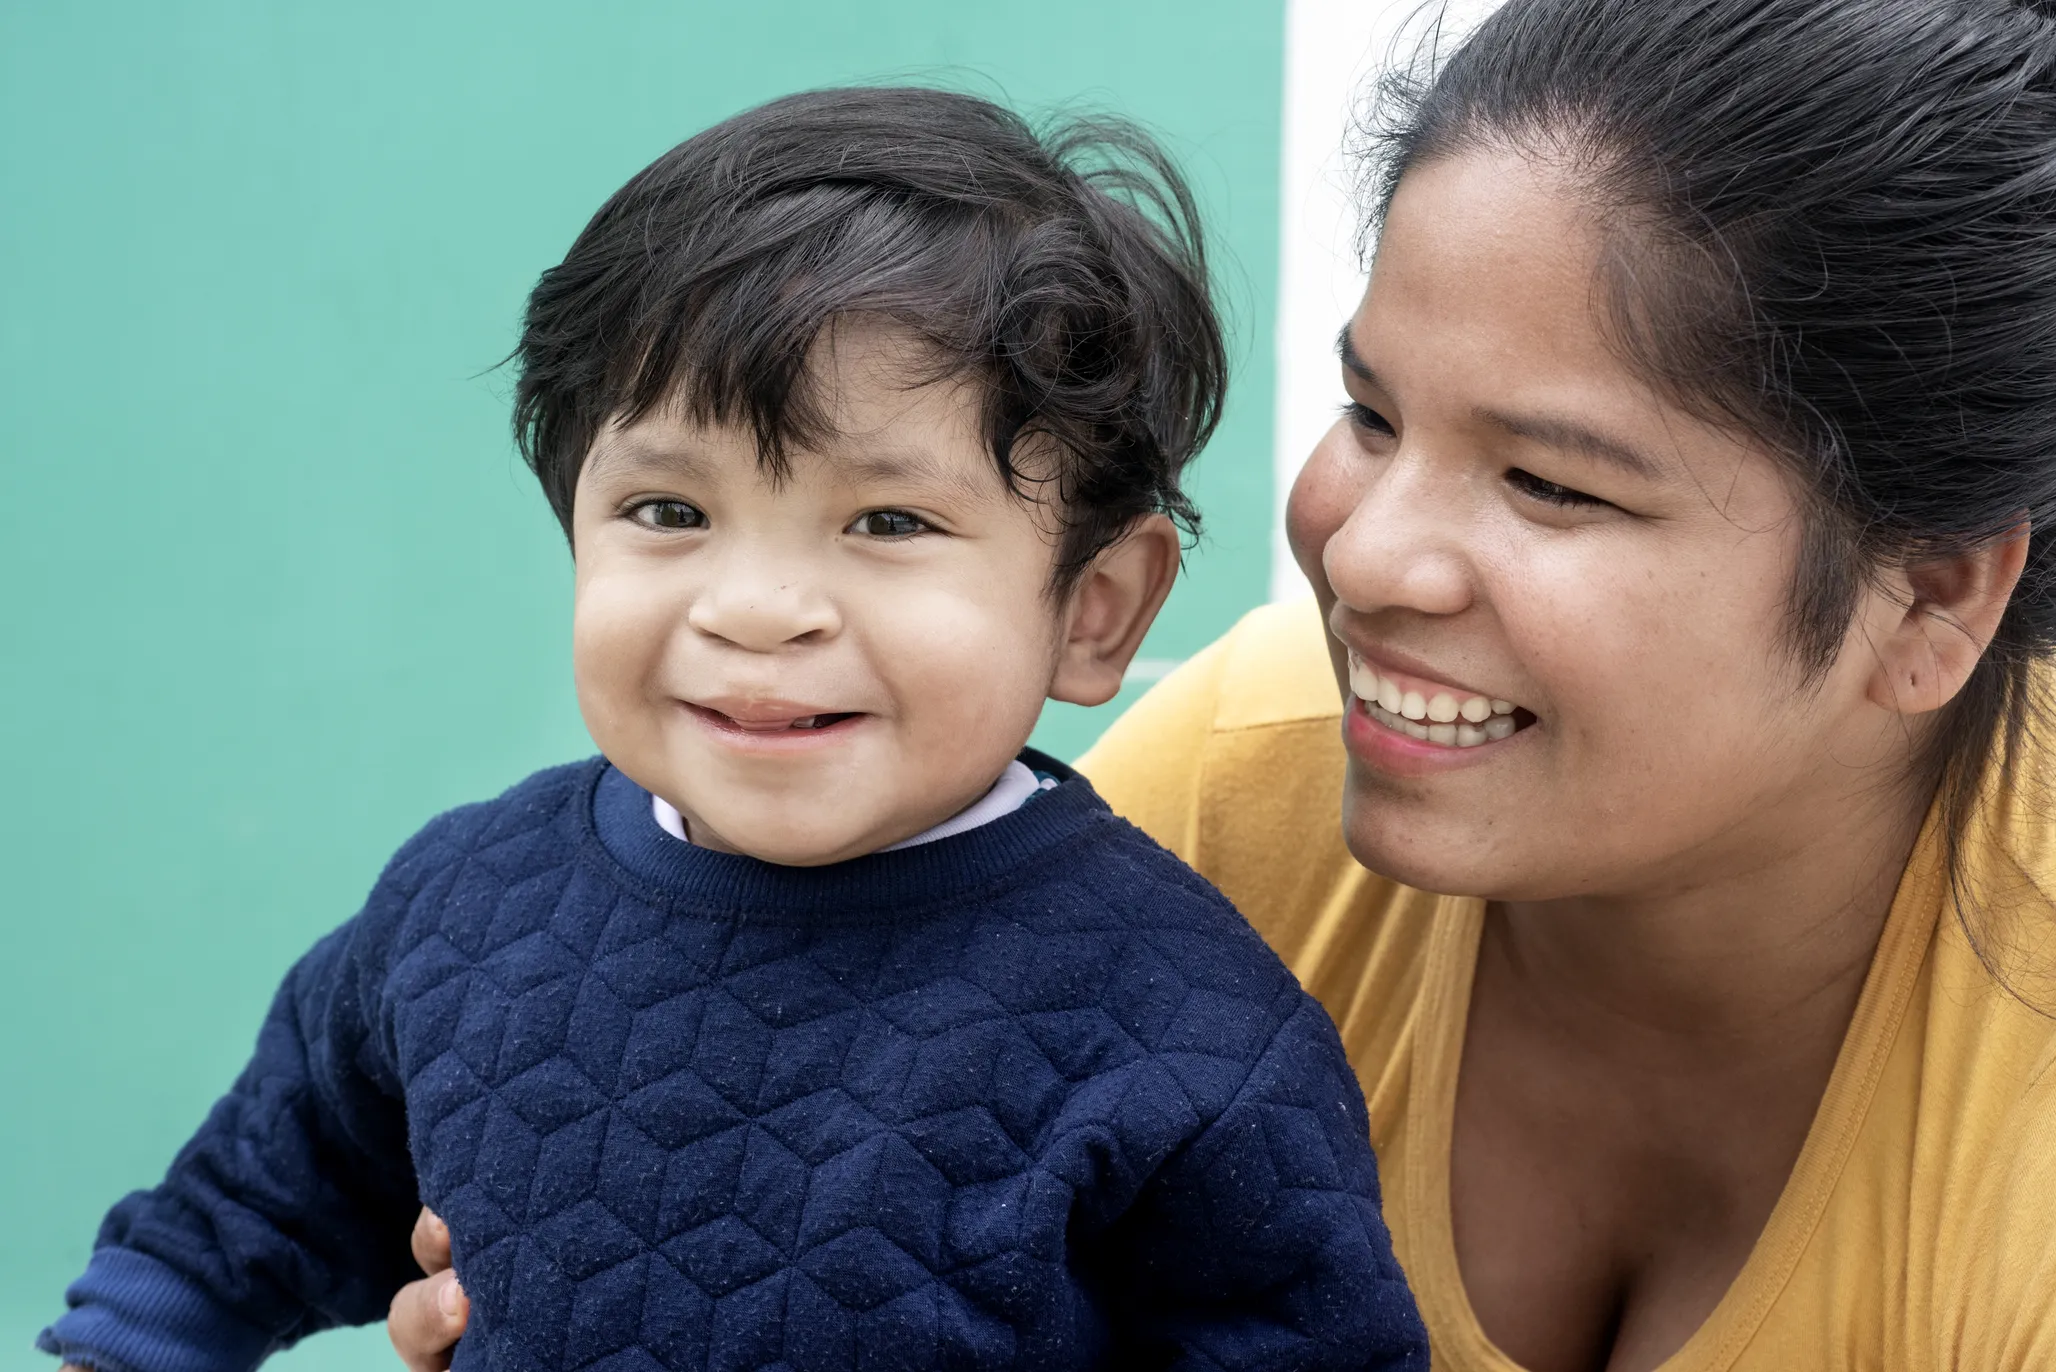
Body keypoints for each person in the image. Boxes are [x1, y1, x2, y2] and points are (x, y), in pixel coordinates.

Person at [377, 0, 2056, 1367]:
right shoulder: (1217, 804)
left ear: (1930, 594)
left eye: (1552, 485)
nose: (1364, 552)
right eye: (1376, 417)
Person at [38, 88, 1430, 1372]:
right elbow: (236, 1224)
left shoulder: (1182, 1028)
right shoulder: (464, 906)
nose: (756, 608)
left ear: (1094, 610)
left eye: (888, 522)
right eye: (669, 512)